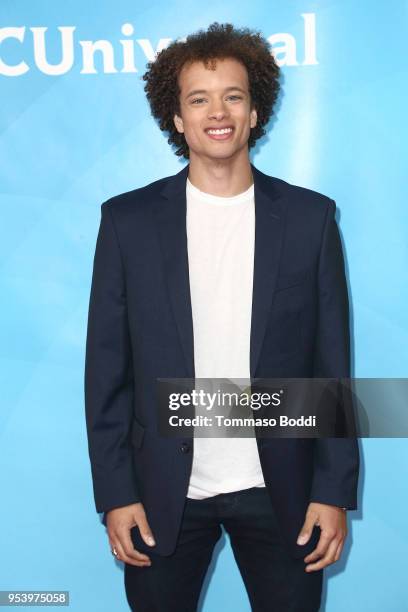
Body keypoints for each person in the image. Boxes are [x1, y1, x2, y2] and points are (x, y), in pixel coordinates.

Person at [84, 22, 359, 612]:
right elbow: (106, 371)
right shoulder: (126, 223)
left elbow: (331, 364)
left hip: (281, 487)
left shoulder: (310, 220)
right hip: (161, 493)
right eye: (199, 99)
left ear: (255, 110)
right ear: (177, 118)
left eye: (233, 96)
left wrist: (332, 490)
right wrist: (116, 493)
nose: (219, 112)